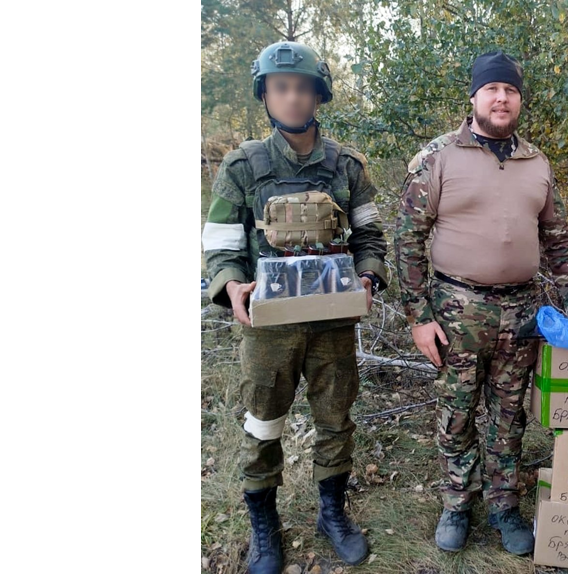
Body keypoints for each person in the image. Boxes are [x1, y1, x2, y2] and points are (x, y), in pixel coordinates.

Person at [394, 50, 568, 555]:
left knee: (510, 415)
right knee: (457, 412)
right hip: (456, 310)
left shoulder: (536, 162)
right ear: (475, 97)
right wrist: (419, 318)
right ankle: (458, 503)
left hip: (522, 312)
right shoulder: (438, 157)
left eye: (510, 91)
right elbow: (407, 241)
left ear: (519, 100)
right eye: (492, 90)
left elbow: (559, 241)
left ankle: (504, 506)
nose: (501, 98)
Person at [201, 40, 388, 573]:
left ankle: (332, 514)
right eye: (281, 88)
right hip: (269, 328)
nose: (292, 97)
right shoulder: (243, 166)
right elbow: (220, 246)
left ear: (318, 94)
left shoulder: (346, 166)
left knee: (335, 419)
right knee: (263, 422)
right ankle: (265, 527)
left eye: (302, 87)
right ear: (267, 94)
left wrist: (369, 274)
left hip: (332, 322)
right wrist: (232, 287)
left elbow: (371, 235)